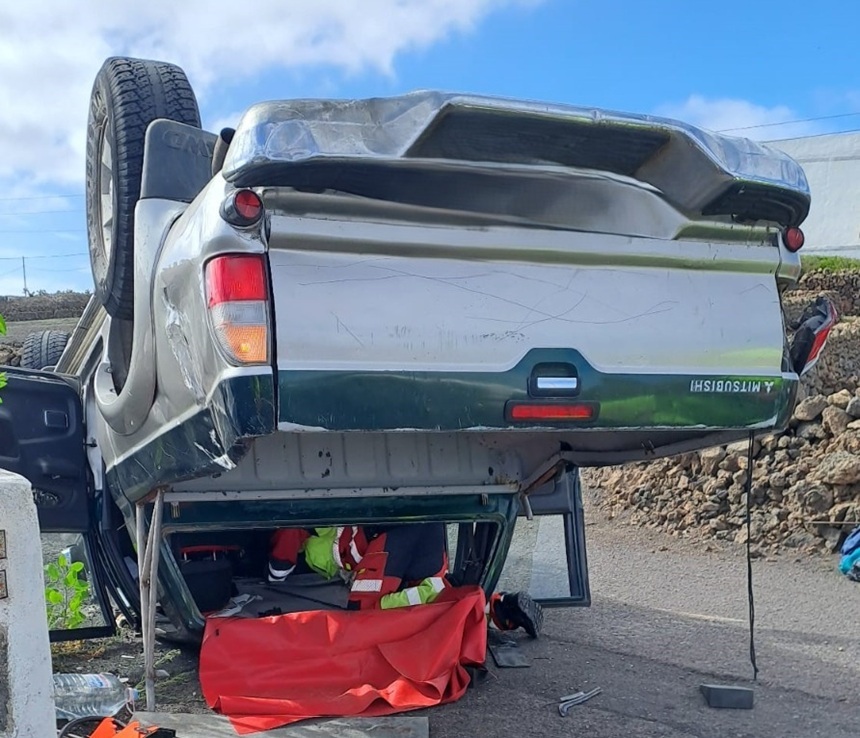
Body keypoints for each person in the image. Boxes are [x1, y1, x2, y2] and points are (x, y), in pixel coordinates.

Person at [267, 522, 543, 637]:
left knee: (364, 617)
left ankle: (494, 608)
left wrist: (274, 580)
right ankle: (497, 607)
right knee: (438, 592)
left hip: (389, 552)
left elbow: (364, 609)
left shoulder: (304, 533)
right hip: (411, 551)